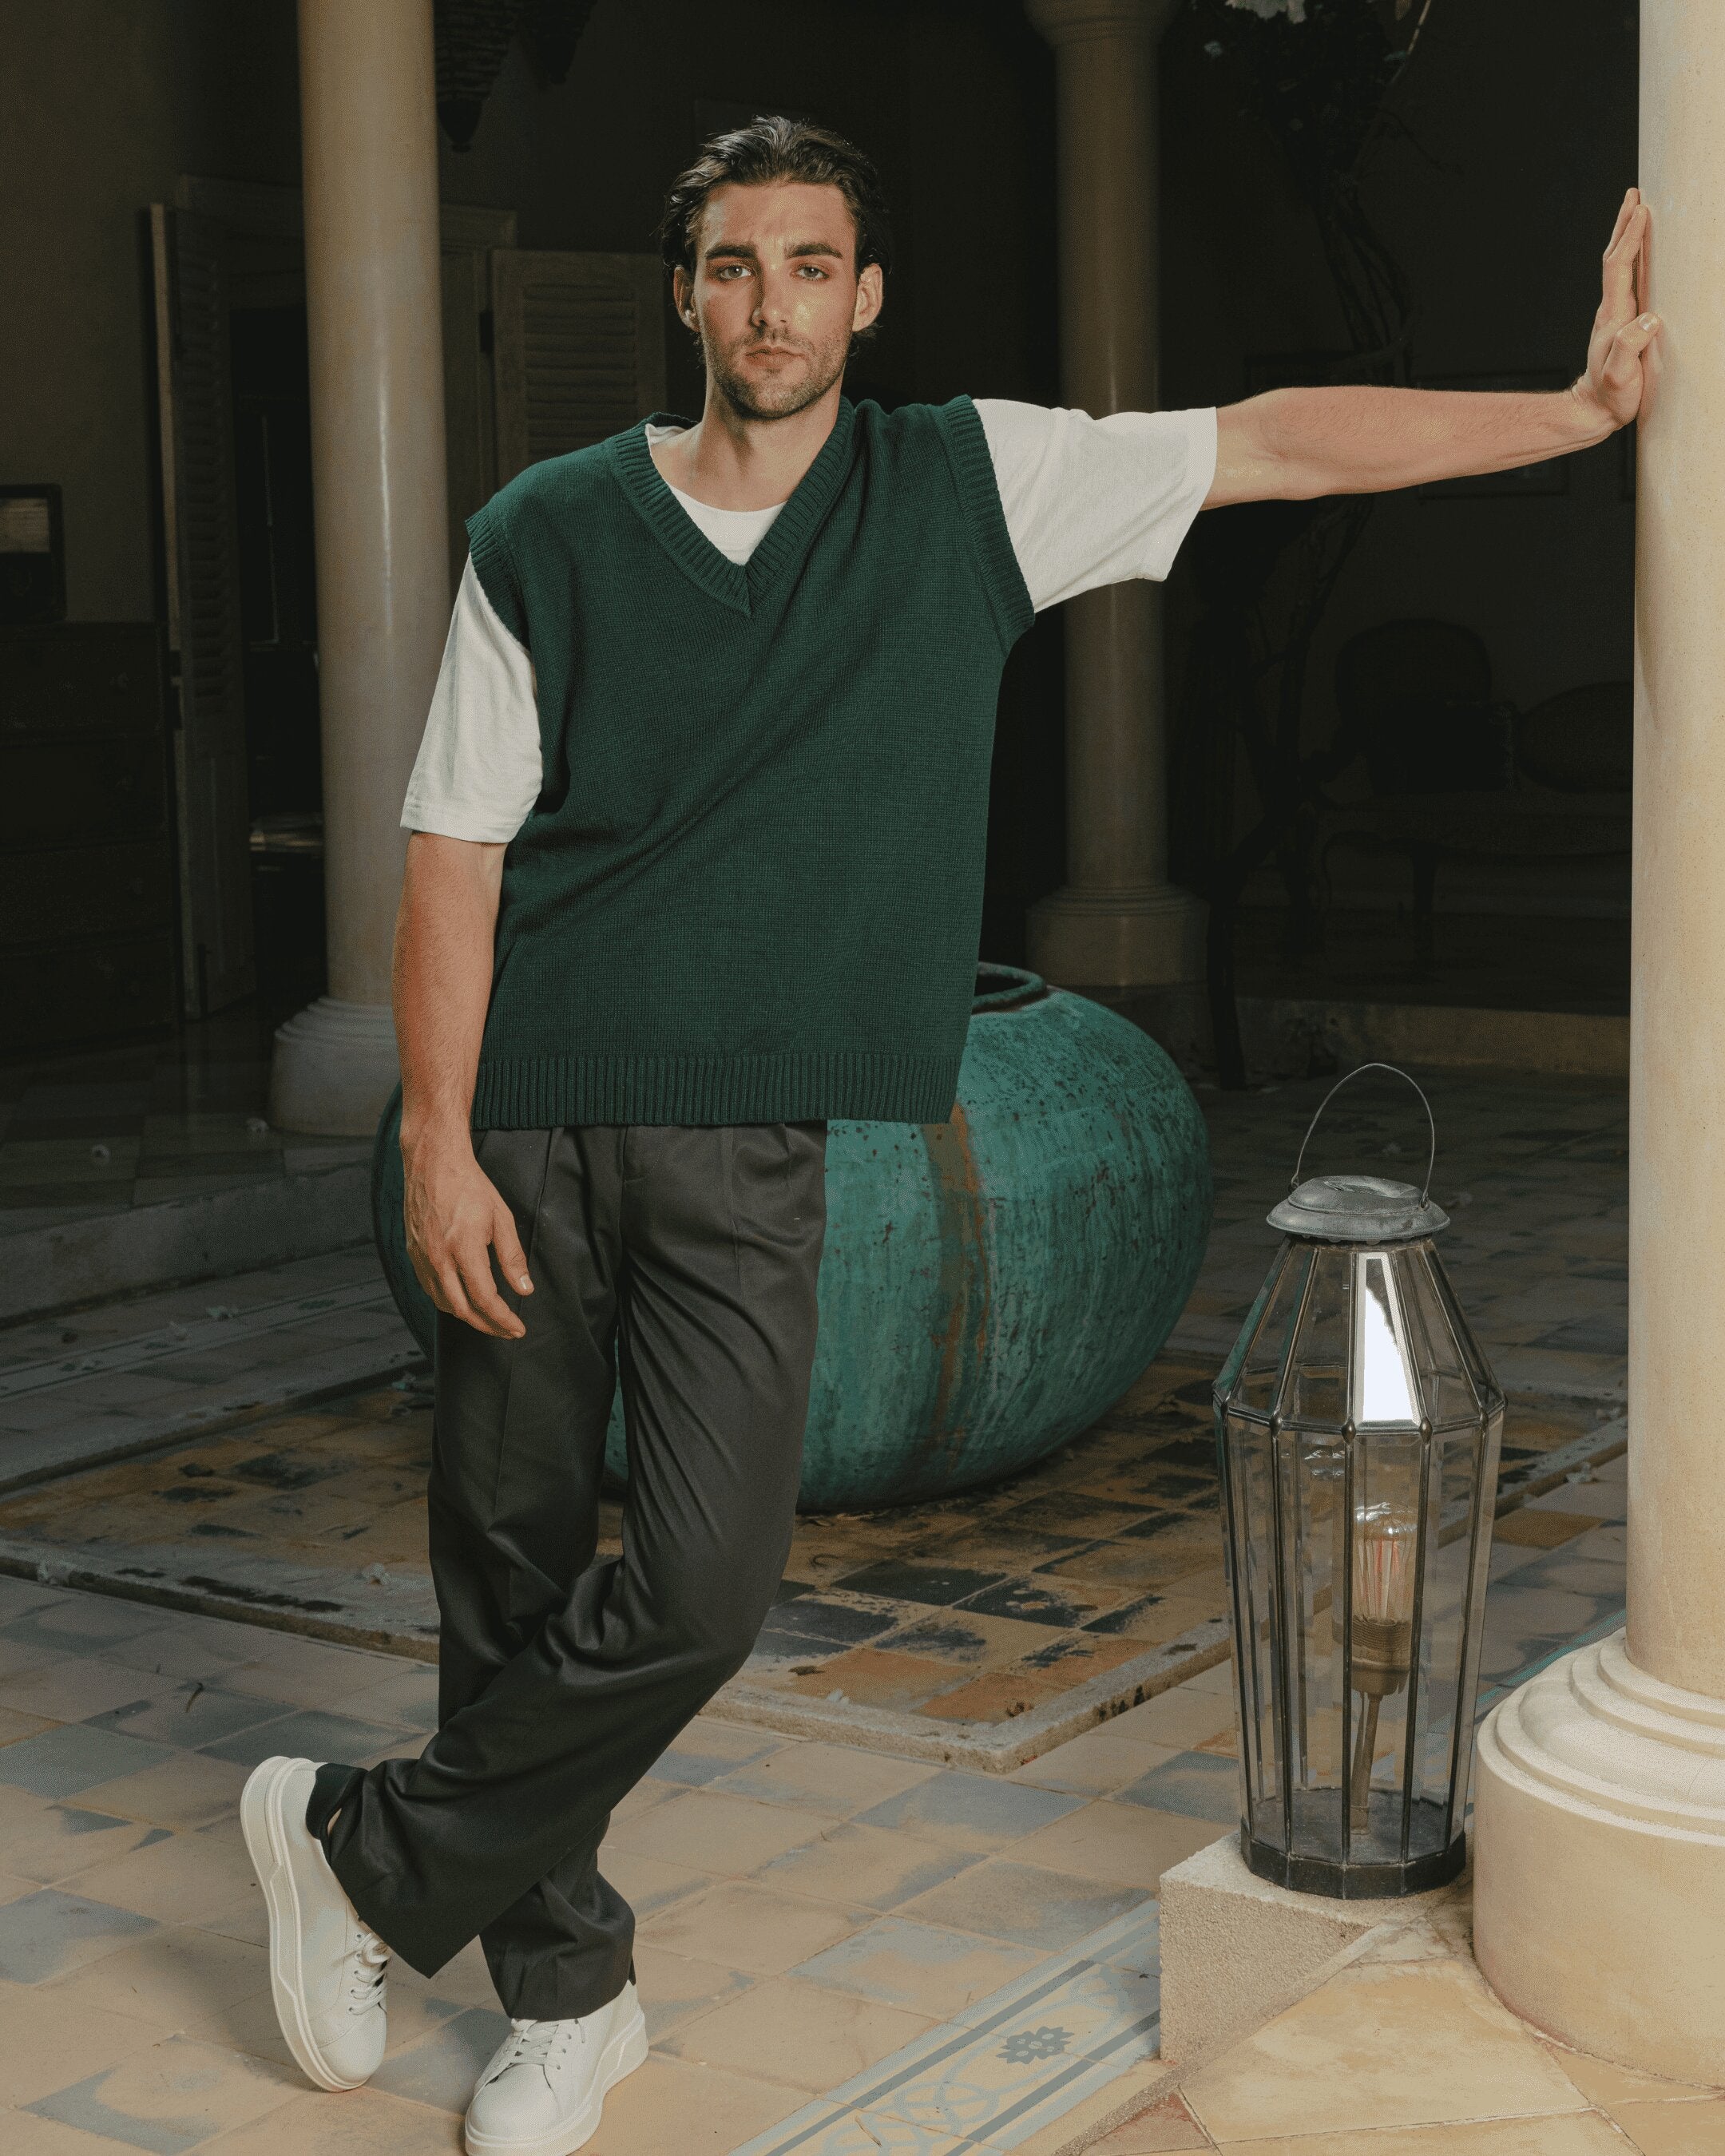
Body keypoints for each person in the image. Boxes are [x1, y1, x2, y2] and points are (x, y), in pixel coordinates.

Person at [240, 116, 1657, 2156]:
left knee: (704, 1591)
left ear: (867, 296)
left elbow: (1270, 443)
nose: (773, 305)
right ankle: (568, 1996)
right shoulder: (545, 528)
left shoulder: (968, 485)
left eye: (811, 265)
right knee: (513, 1571)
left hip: (745, 1143)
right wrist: (437, 1142)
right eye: (737, 265)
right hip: (531, 1115)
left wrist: (1573, 414)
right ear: (687, 294)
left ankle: (359, 1849)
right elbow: (455, 853)